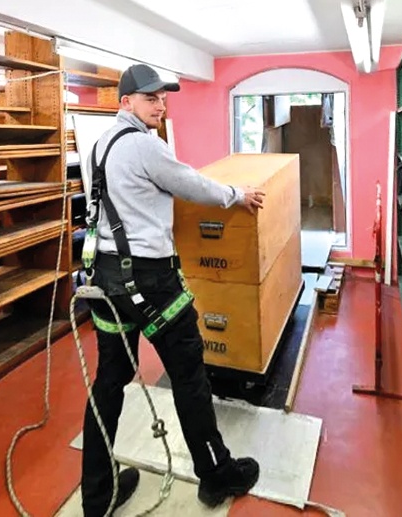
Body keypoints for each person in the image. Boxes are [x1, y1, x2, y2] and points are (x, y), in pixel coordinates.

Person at [79, 63, 264, 516]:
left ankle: (96, 498)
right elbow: (190, 184)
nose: (160, 105)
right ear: (126, 102)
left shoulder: (100, 145)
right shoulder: (145, 145)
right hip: (150, 280)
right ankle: (216, 475)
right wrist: (236, 194)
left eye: (163, 98)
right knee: (189, 376)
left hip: (106, 279)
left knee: (109, 382)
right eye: (150, 98)